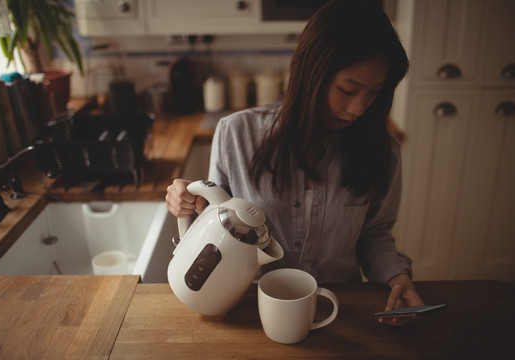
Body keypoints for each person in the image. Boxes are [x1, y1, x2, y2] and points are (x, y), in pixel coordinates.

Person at [166, 0, 424, 325]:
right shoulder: (236, 134)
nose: (359, 108)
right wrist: (188, 202)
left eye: (374, 93)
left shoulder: (382, 151)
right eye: (348, 90)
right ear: (311, 75)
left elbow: (374, 236)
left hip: (338, 311)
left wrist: (397, 276)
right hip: (253, 312)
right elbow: (218, 226)